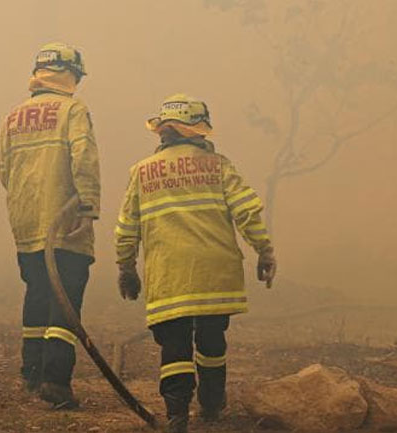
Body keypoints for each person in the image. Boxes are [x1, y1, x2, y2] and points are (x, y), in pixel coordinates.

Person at [114, 94, 276, 432]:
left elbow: (127, 226)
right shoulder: (219, 166)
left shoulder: (142, 172)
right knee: (212, 340)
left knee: (174, 346)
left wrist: (126, 267)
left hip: (169, 276)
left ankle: (177, 415)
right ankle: (212, 403)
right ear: (198, 131)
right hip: (215, 273)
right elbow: (247, 211)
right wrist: (264, 250)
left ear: (163, 131)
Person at [0, 42, 100, 410]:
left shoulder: (13, 117)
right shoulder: (73, 110)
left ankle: (31, 373)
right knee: (65, 300)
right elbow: (83, 159)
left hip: (26, 223)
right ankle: (55, 382)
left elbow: (5, 171)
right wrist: (88, 204)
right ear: (70, 74)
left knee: (38, 293)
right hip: (66, 223)